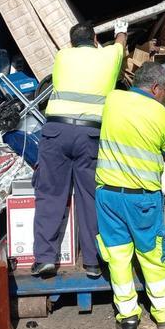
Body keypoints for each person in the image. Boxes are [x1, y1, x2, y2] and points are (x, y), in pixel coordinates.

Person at [31, 21, 127, 278]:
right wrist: (121, 31)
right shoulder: (109, 56)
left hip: (56, 131)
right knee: (90, 197)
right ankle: (93, 262)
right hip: (90, 134)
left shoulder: (62, 56)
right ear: (95, 39)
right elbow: (120, 43)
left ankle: (44, 259)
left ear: (72, 42)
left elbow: (74, 44)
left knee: (50, 194)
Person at [94, 62, 165, 329]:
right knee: (152, 255)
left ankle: (128, 318)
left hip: (108, 197)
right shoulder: (160, 114)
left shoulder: (113, 99)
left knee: (117, 257)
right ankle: (163, 313)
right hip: (143, 200)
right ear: (155, 88)